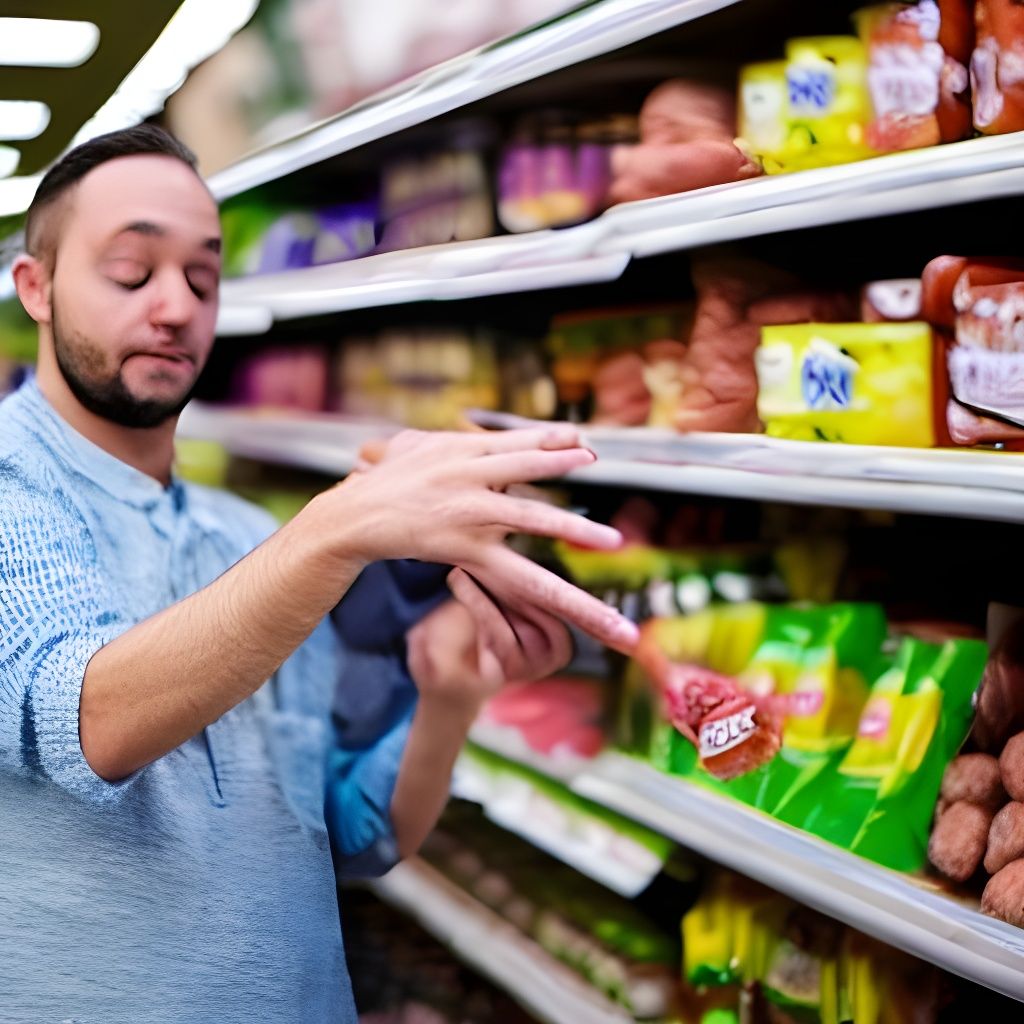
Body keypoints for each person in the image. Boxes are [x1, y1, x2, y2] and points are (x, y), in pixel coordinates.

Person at [0, 124, 639, 1024]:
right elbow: (89, 721)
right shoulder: (12, 488)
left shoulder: (244, 533)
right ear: (38, 287)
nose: (177, 307)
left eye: (203, 278)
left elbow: (350, 833)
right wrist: (340, 525)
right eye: (133, 271)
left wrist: (449, 691)